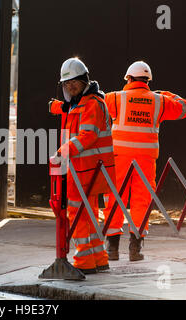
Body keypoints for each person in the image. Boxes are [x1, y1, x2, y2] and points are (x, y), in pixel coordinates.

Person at [103, 61, 186, 261]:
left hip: (119, 158)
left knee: (115, 199)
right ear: (148, 81)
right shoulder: (159, 101)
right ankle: (135, 249)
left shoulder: (116, 98)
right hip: (145, 160)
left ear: (128, 78)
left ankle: (112, 248)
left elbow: (95, 103)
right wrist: (167, 93)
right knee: (142, 202)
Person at [49, 57, 116, 274]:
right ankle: (98, 258)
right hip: (89, 170)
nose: (70, 86)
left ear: (84, 79)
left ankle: (84, 261)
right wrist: (56, 107)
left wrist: (62, 152)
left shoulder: (92, 104)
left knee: (76, 213)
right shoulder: (85, 102)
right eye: (66, 83)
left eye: (74, 81)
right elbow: (69, 109)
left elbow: (88, 134)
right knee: (89, 214)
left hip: (86, 170)